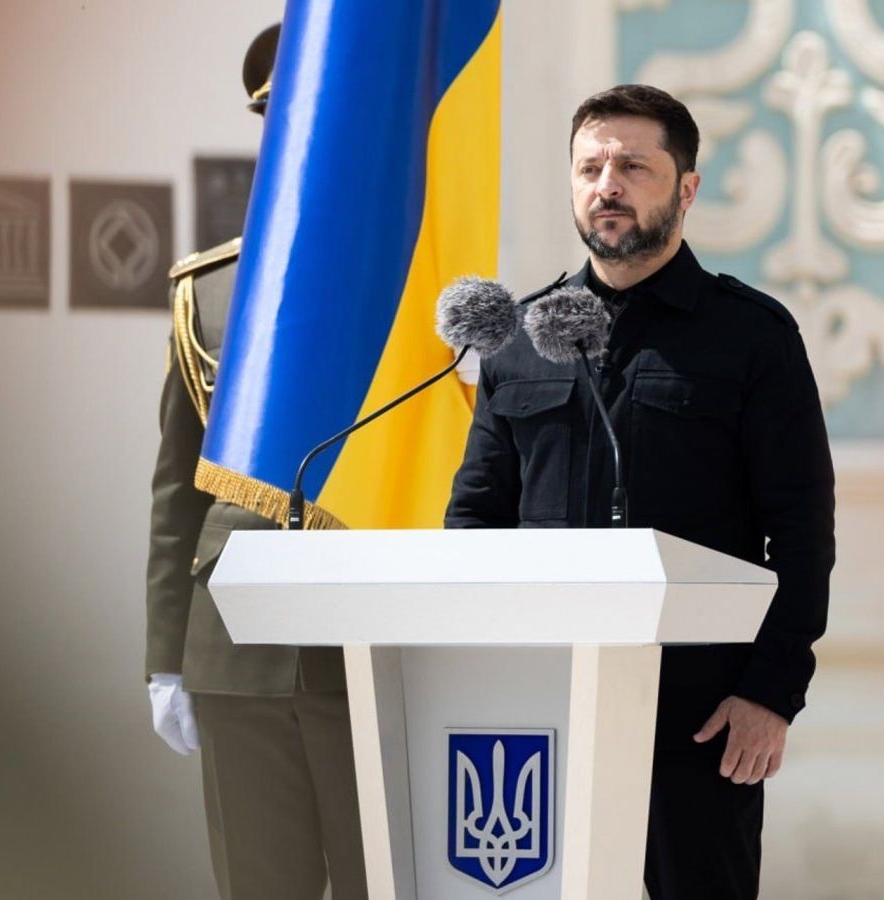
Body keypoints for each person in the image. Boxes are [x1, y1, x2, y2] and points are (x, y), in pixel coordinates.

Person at [445, 84, 836, 899]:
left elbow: (802, 531)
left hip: (699, 720)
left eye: (632, 167)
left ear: (686, 189)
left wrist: (770, 693)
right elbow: (476, 519)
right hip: (536, 713)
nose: (607, 186)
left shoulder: (750, 337)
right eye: (590, 167)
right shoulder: (518, 340)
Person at [144, 24, 367, 900]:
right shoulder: (209, 289)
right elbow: (178, 491)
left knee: (382, 881)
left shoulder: (418, 277)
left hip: (374, 636)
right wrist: (166, 656)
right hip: (233, 643)